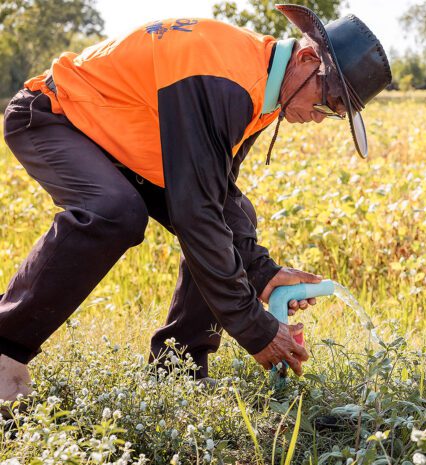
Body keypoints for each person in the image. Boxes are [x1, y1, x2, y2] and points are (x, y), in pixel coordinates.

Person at [0, 4, 392, 403]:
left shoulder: (262, 88)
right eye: (329, 100)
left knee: (235, 216)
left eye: (336, 112)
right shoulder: (225, 79)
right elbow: (197, 214)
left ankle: (177, 368)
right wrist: (255, 329)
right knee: (115, 212)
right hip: (53, 115)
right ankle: (5, 347)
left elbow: (216, 194)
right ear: (308, 59)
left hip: (125, 143)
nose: (321, 117)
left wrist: (261, 272)